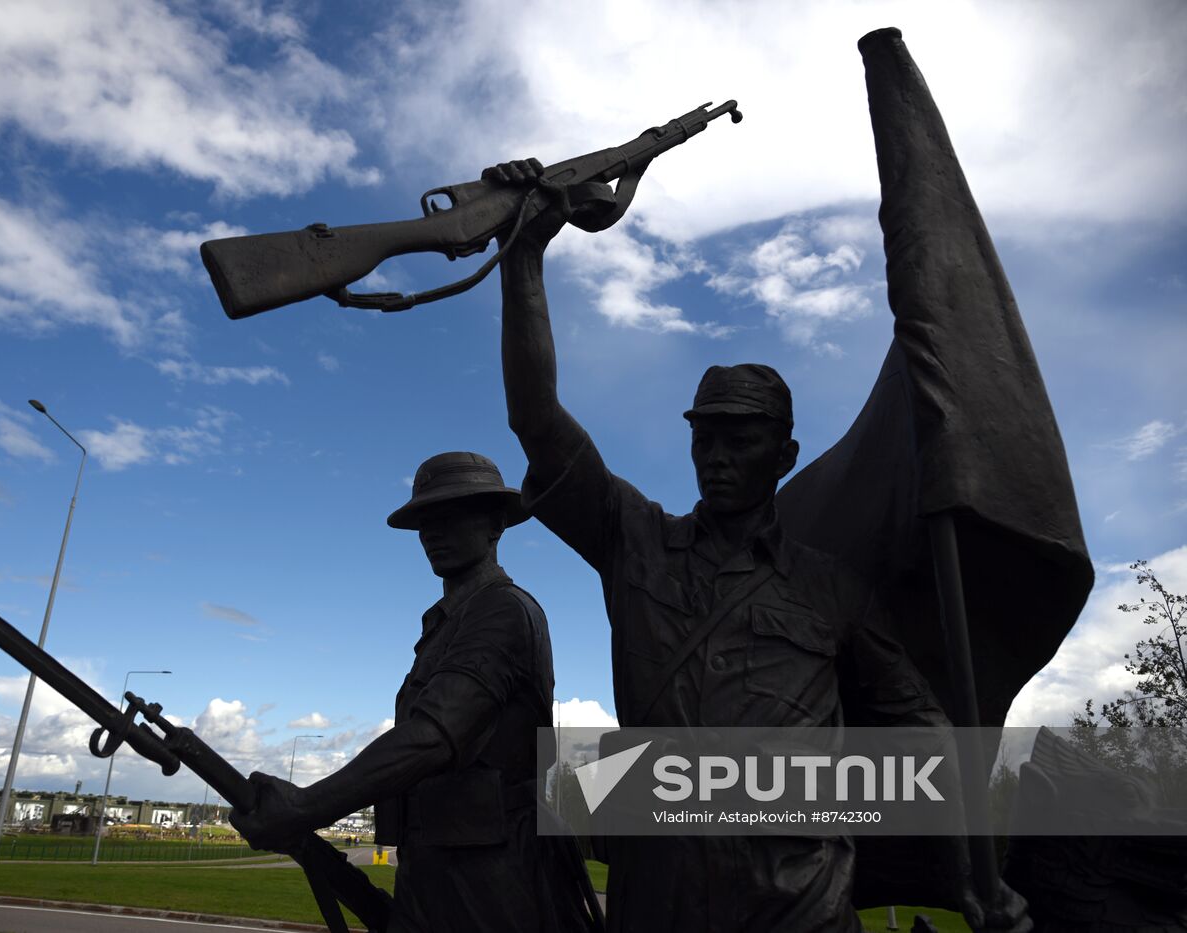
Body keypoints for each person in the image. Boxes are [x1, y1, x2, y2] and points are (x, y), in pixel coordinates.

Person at [485, 159, 1029, 932]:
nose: (717, 454)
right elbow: (537, 421)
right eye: (705, 437)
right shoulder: (634, 540)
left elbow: (928, 732)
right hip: (659, 903)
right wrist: (523, 259)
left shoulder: (831, 588)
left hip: (798, 908)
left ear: (785, 454)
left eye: (741, 438)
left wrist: (969, 872)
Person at [230, 451, 598, 933]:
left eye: (450, 516)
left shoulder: (502, 611)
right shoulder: (444, 624)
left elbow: (434, 735)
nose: (432, 532)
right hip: (436, 863)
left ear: (494, 524)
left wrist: (306, 806)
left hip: (493, 877)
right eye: (425, 519)